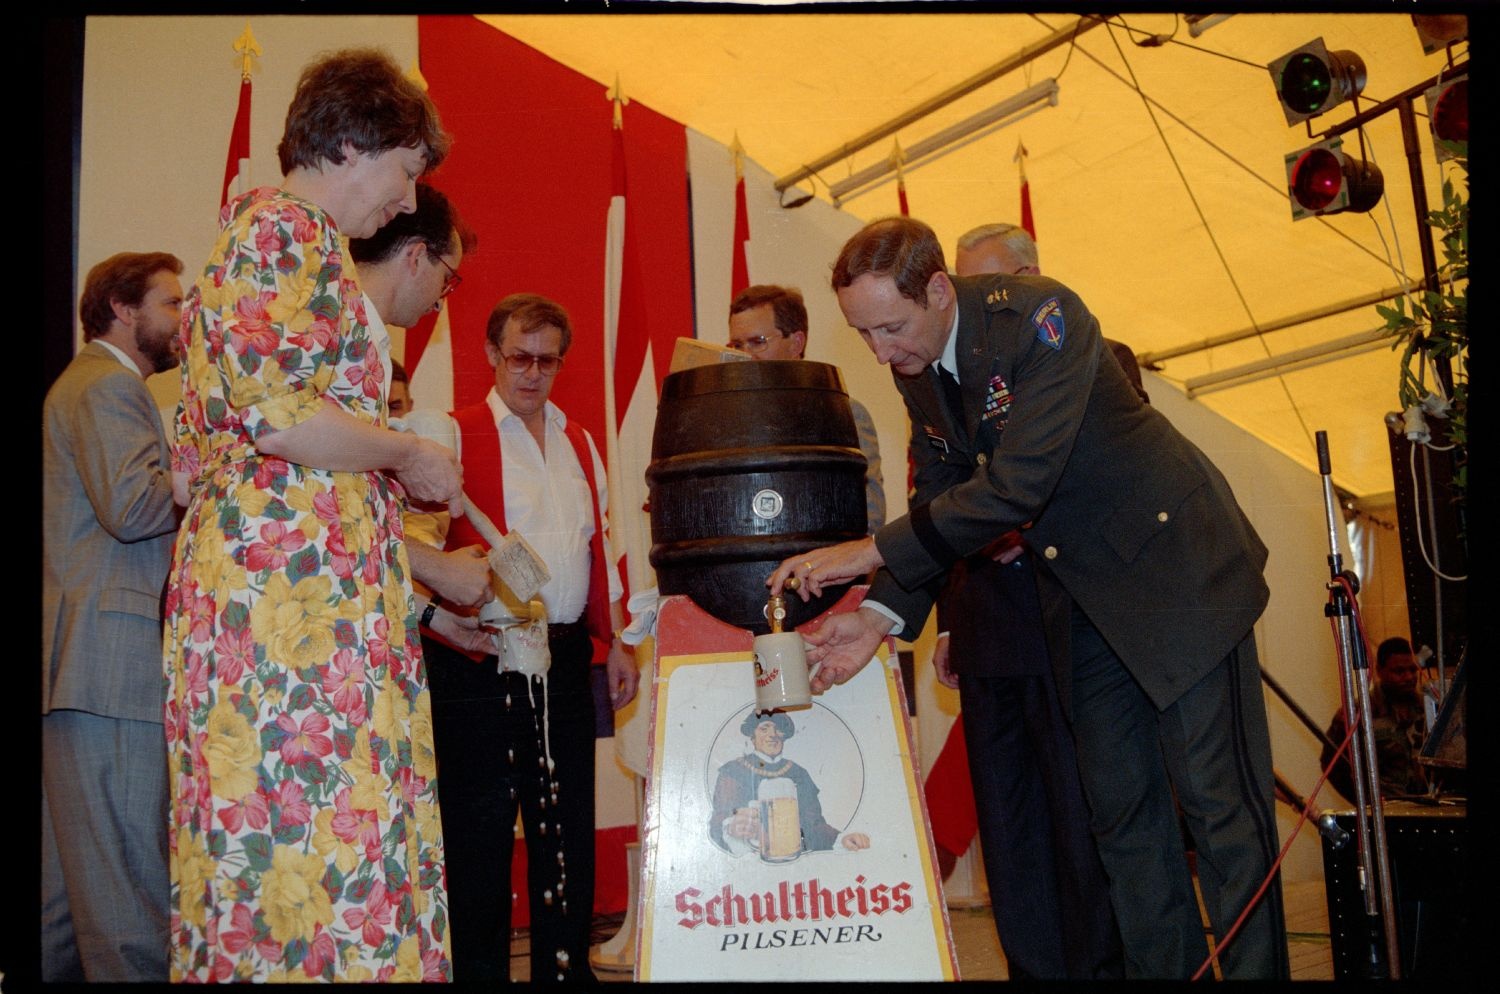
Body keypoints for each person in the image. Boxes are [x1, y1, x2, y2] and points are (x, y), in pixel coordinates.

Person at [769, 216, 1288, 979]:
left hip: (1176, 575)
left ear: (939, 288)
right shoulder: (916, 358)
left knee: (1220, 812)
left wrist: (867, 550)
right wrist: (879, 615)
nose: (881, 352)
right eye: (864, 333)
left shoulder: (1045, 319)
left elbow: (1017, 486)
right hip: (1081, 597)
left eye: (890, 327)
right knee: (1122, 819)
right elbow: (943, 484)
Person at [163, 49, 463, 982]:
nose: (411, 204)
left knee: (296, 840)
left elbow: (188, 470)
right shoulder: (281, 232)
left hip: (282, 594)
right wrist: (407, 453)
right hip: (290, 619)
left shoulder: (277, 245)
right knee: (311, 841)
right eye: (409, 172)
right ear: (348, 143)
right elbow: (279, 417)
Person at [911, 222, 1122, 979]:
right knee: (1009, 828)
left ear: (1031, 277)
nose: (973, 307)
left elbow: (1056, 490)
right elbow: (933, 505)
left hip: (1067, 627)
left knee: (1078, 818)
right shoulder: (935, 382)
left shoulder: (1090, 358)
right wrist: (941, 624)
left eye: (987, 285)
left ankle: (1099, 968)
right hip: (985, 633)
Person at [420, 293, 639, 983]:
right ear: (491, 355)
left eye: (548, 360)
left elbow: (600, 545)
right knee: (480, 838)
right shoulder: (448, 436)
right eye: (520, 356)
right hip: (478, 663)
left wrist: (621, 641)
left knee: (567, 831)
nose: (532, 373)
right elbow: (410, 548)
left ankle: (564, 975)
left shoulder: (581, 444)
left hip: (567, 656)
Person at [42, 252, 185, 981]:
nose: (182, 318)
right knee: (128, 911)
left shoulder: (84, 385)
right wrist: (206, 473)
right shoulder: (108, 388)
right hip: (114, 673)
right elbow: (133, 509)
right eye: (171, 302)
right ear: (125, 311)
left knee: (67, 916)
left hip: (83, 681)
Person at [349, 180, 497, 625]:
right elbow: (327, 508)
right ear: (416, 257)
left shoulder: (367, 341)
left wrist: (437, 618)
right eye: (447, 280)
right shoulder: (345, 337)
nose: (440, 302)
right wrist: (437, 568)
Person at [729, 284, 886, 533]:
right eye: (737, 345)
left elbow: (869, 516)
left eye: (757, 342)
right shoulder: (727, 421)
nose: (745, 356)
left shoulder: (845, 415)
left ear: (796, 343)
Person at [710, 711, 871, 855]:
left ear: (784, 735)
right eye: (764, 728)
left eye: (778, 729)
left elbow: (813, 826)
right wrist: (731, 828)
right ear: (753, 736)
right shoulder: (734, 770)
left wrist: (841, 839)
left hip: (793, 863)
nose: (772, 735)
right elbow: (719, 821)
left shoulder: (799, 773)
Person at [1323, 636, 1428, 800]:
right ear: (1380, 671)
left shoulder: (1428, 708)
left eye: (1413, 670)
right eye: (1399, 671)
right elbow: (1333, 765)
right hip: (1386, 812)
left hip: (1427, 808)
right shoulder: (1358, 712)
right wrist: (1365, 801)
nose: (1409, 677)